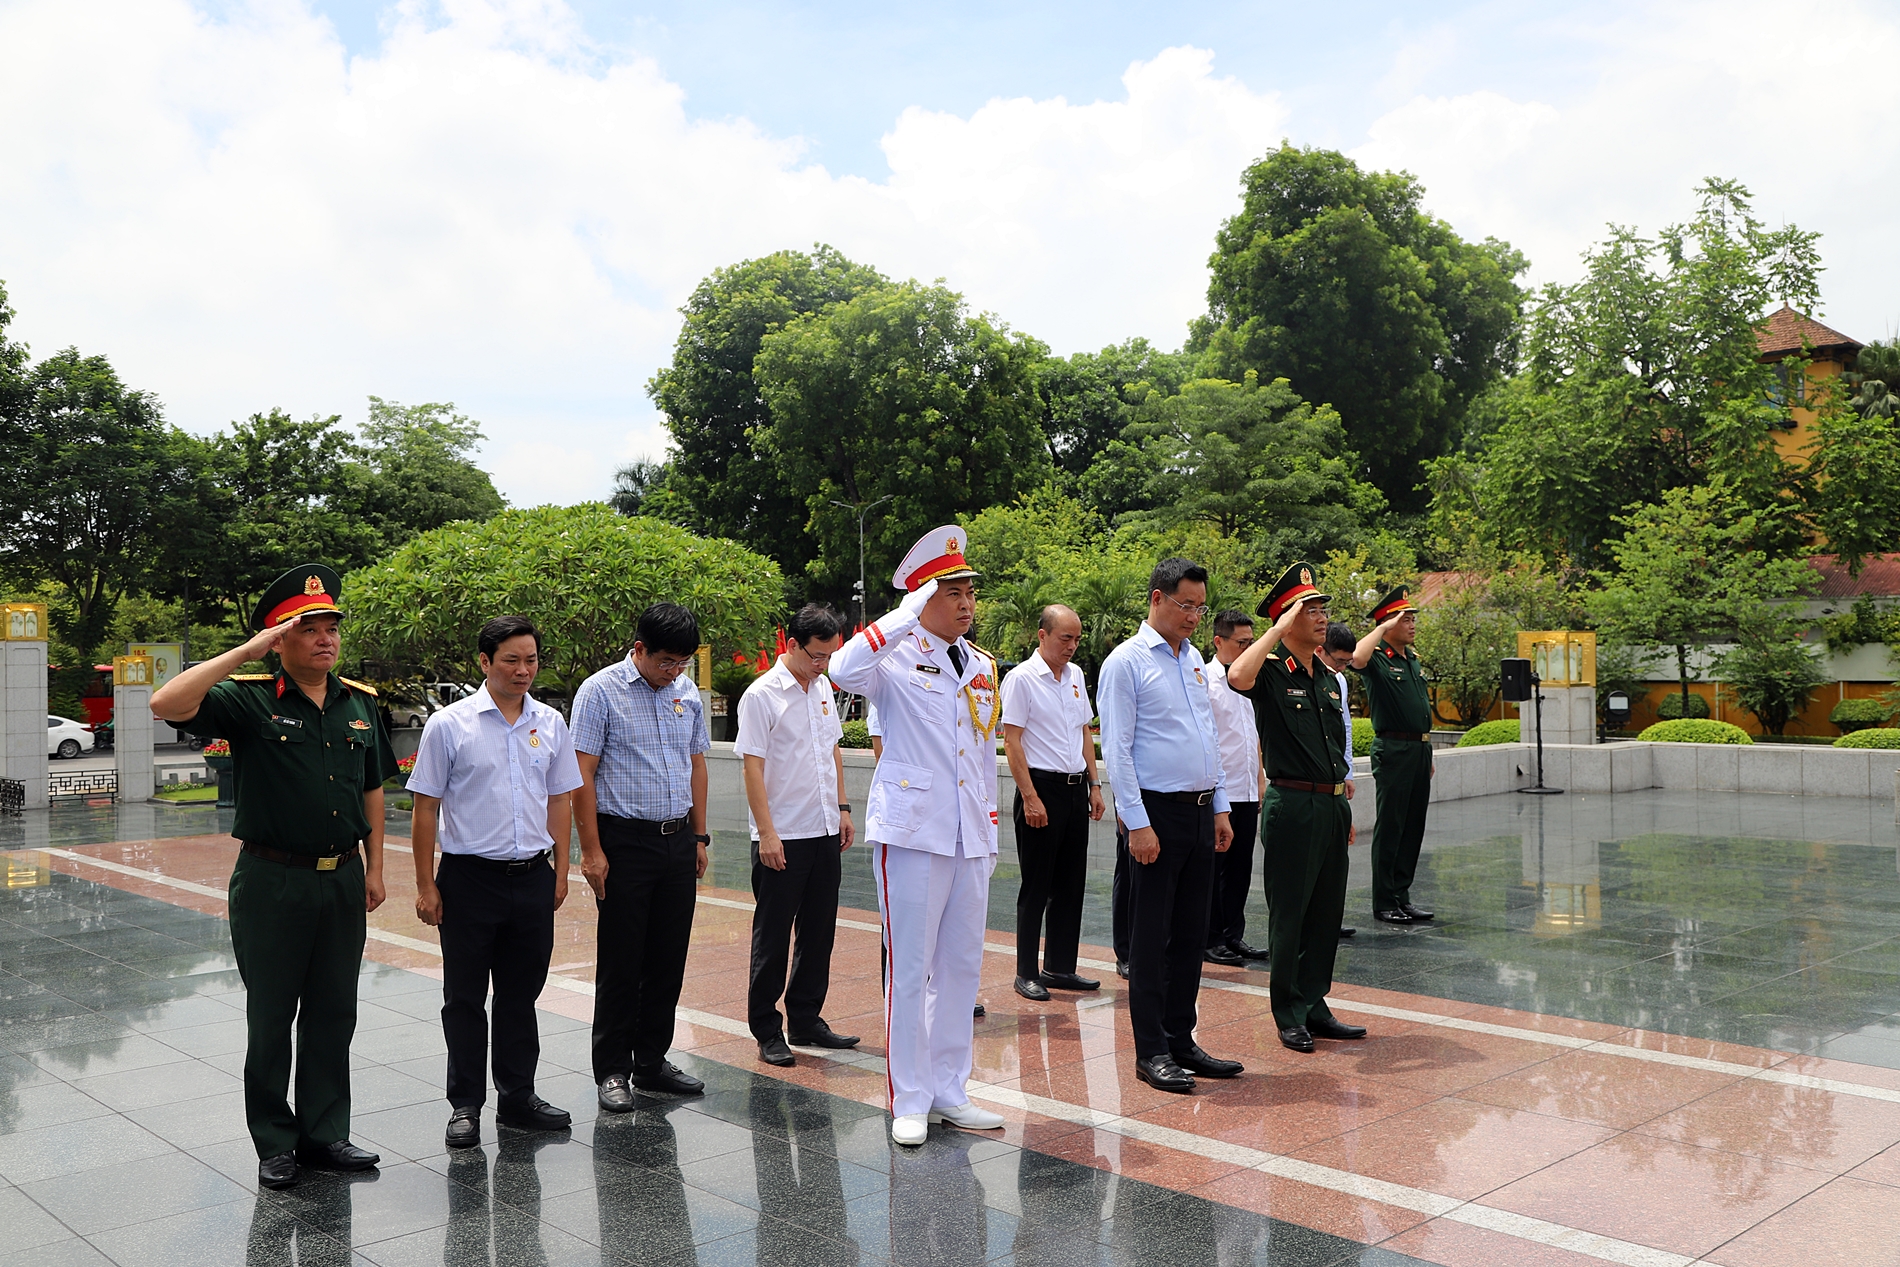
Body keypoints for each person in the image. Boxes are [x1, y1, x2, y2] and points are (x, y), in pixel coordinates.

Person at [150, 564, 394, 1190]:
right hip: (271, 880)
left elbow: (372, 790)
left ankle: (324, 1133)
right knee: (272, 1015)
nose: (324, 639)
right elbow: (165, 703)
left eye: (330, 628)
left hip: (341, 878)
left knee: (335, 1011)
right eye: (307, 628)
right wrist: (249, 650)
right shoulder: (249, 697)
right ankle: (275, 1141)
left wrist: (376, 868)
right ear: (278, 638)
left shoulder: (359, 703)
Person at [828, 524, 1007, 1145]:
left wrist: (989, 830)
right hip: (911, 834)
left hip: (967, 836)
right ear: (921, 596)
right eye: (950, 590)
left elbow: (982, 757)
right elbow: (841, 670)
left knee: (961, 969)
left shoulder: (982, 666)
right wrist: (904, 610)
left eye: (968, 591)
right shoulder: (891, 658)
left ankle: (950, 1089)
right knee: (910, 970)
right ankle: (909, 1095)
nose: (965, 602)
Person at [408, 615, 581, 1150]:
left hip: (532, 876)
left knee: (519, 995)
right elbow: (425, 807)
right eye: (511, 660)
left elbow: (560, 799)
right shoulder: (449, 725)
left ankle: (518, 1097)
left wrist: (561, 867)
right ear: (484, 662)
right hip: (467, 880)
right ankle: (465, 1104)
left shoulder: (550, 723)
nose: (523, 670)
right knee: (463, 998)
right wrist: (425, 885)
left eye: (531, 659)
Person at [1096, 558, 1242, 1095]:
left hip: (1201, 812)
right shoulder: (1126, 663)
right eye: (1186, 605)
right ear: (1157, 598)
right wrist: (1137, 823)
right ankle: (1151, 1050)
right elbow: (1118, 750)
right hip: (1155, 815)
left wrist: (1221, 807)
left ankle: (1182, 1038)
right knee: (1151, 937)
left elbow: (1210, 738)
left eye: (1200, 608)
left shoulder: (1194, 663)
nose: (1194, 617)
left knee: (1189, 936)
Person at [572, 603, 712, 1110]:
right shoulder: (600, 690)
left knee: (667, 958)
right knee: (622, 960)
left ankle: (651, 1061)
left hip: (677, 840)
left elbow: (696, 762)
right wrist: (590, 851)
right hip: (624, 842)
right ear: (639, 650)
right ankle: (612, 1070)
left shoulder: (685, 691)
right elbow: (580, 773)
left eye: (682, 663)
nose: (674, 672)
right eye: (666, 662)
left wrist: (699, 836)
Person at [1225, 563, 1367, 1055]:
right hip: (1291, 804)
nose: (1323, 617)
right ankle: (1288, 1011)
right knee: (1291, 914)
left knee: (1326, 913)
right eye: (1311, 609)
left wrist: (1342, 803)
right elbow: (1236, 676)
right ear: (1287, 618)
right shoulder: (1267, 670)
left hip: (1330, 805)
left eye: (1323, 608)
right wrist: (1276, 630)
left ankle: (1315, 1002)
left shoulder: (1328, 679)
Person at [736, 603, 860, 1067]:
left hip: (824, 829)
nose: (823, 664)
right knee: (773, 936)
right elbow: (752, 766)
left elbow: (832, 750)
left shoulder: (822, 688)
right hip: (782, 835)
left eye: (830, 655)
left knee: (819, 931)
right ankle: (766, 1028)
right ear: (792, 645)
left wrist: (843, 808)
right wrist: (766, 833)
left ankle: (806, 1018)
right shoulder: (762, 695)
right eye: (817, 655)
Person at [1001, 604, 1104, 1002]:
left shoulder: (1076, 676)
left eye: (1077, 639)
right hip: (1040, 789)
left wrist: (1095, 785)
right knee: (1036, 884)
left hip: (1075, 788)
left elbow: (1084, 733)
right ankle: (1026, 971)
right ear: (1042, 635)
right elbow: (1012, 743)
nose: (1073, 646)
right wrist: (1030, 797)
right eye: (1066, 638)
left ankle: (1060, 966)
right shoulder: (1022, 679)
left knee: (1070, 882)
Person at [1352, 588, 1436, 925]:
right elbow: (1356, 658)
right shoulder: (1377, 657)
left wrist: (1425, 751)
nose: (1412, 624)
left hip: (1419, 749)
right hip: (1394, 750)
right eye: (1405, 619)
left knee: (1413, 826)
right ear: (1387, 624)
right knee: (1391, 826)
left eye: (1413, 618)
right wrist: (1381, 628)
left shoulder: (1411, 658)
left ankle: (1402, 895)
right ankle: (1384, 900)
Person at [1203, 610, 1266, 968]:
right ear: (1219, 641)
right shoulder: (1207, 682)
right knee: (1216, 869)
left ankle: (1233, 935)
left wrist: (1259, 777)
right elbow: (1209, 741)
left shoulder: (1248, 681)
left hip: (1247, 787)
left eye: (1251, 642)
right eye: (1242, 642)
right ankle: (1211, 939)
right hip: (1220, 791)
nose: (1248, 648)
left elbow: (1251, 736)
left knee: (1241, 867)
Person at [1314, 621, 1361, 939]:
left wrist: (1347, 771)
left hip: (1334, 777)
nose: (1342, 668)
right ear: (1321, 651)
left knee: (1335, 854)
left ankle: (1329, 916)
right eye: (1338, 661)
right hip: (1306, 781)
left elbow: (1344, 726)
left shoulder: (1339, 681)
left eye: (1347, 662)